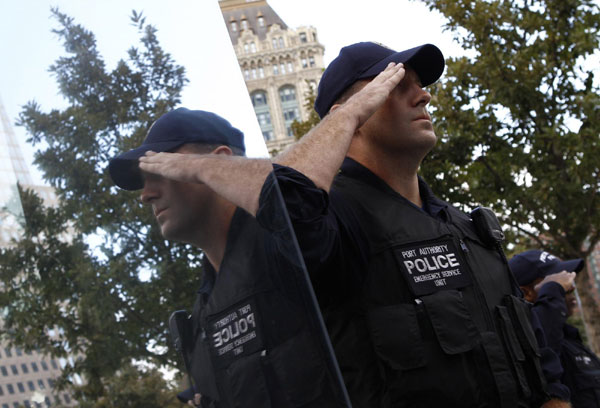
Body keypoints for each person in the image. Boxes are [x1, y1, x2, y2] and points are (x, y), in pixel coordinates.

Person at [135, 46, 570, 406]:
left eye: (419, 85)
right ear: (353, 114)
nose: (423, 97)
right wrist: (343, 119)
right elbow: (286, 202)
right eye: (396, 86)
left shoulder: (470, 228)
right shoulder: (335, 223)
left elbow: (535, 354)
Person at [108, 108, 346, 407]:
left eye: (160, 169)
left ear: (220, 161)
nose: (146, 194)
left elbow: (300, 204)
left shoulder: (290, 243)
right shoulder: (202, 316)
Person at [510, 250, 600, 407]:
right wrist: (553, 291)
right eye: (560, 282)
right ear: (527, 293)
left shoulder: (569, 337)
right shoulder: (530, 343)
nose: (571, 288)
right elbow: (540, 350)